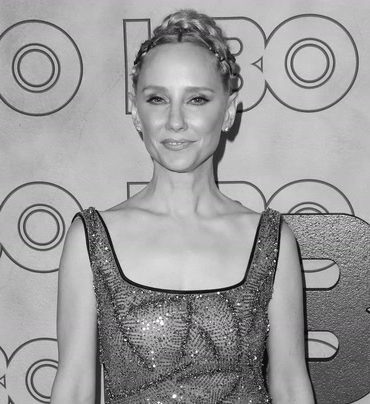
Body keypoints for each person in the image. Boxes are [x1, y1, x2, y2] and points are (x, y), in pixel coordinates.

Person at [50, 9, 314, 403]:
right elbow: (73, 389)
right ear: (135, 110)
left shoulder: (271, 240)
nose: (175, 121)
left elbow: (291, 386)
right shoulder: (91, 241)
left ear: (228, 110)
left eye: (197, 99)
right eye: (157, 99)